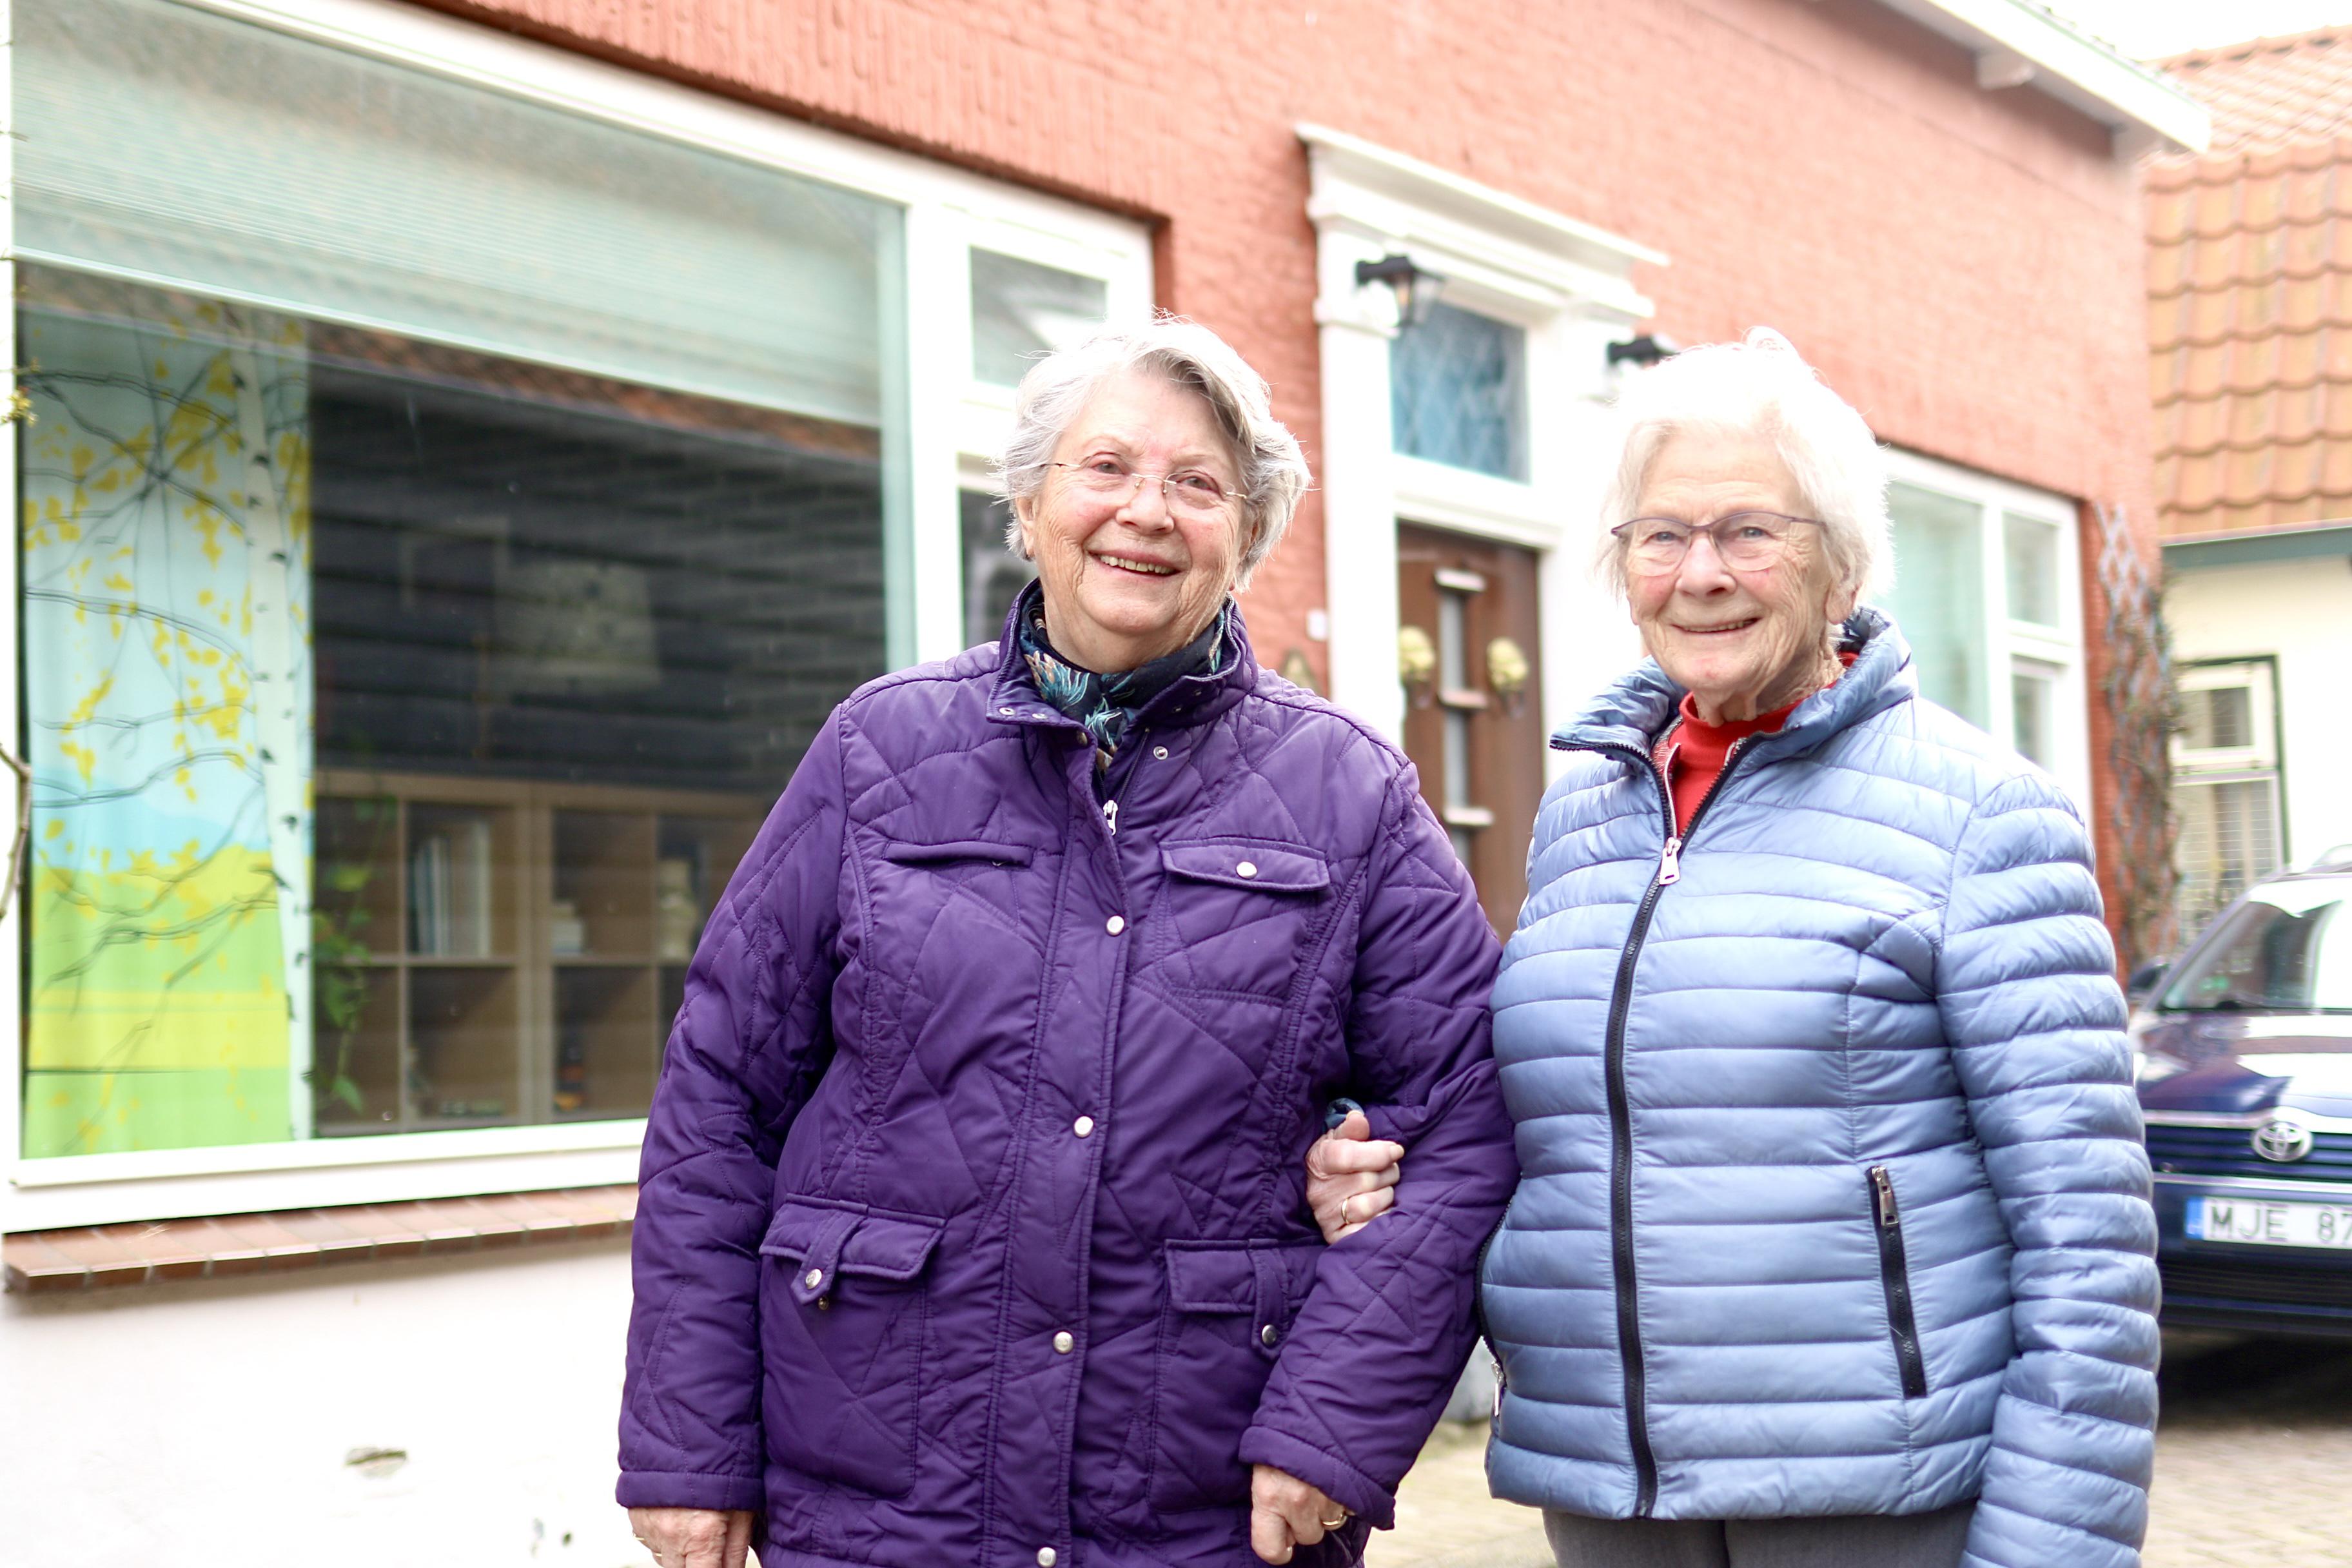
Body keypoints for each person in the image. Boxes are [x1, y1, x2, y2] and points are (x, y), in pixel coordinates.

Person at [618, 318, 1520, 1568]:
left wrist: (1337, 1422)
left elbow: (1469, 1120)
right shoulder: (879, 752)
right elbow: (718, 1103)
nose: (1146, 511)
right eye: (1106, 468)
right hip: (880, 1492)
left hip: (1205, 1509)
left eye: (1198, 484)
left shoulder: (1347, 794)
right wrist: (689, 1448)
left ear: (1245, 536)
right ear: (1032, 505)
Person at [1310, 330, 2159, 1568]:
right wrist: (1368, 1166)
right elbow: (1549, 1123)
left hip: (1876, 1492)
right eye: (1660, 536)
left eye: (1749, 530)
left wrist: (2051, 1551)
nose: (1698, 573)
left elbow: (2090, 1245)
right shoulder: (1586, 815)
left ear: (1841, 563)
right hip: (1612, 1489)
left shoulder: (1986, 814)